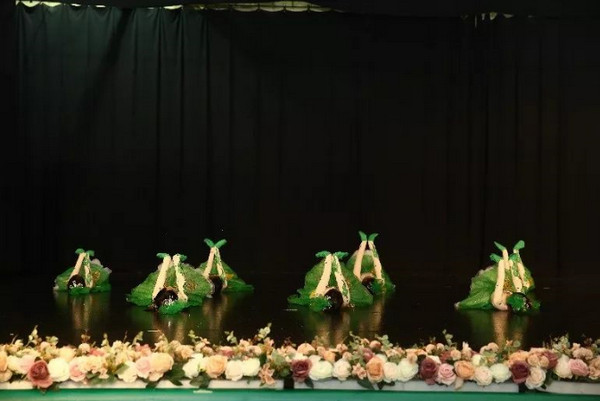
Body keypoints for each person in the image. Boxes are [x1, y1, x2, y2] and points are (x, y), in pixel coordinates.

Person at [455, 241, 539, 312]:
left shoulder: (497, 300)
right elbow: (515, 278)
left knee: (512, 277)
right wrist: (511, 261)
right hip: (512, 288)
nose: (509, 293)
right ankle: (514, 253)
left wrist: (501, 263)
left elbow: (500, 280)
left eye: (511, 295)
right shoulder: (518, 292)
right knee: (524, 282)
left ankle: (509, 256)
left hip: (498, 290)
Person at [127, 253, 212, 314]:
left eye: (167, 287)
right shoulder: (182, 298)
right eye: (170, 288)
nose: (170, 286)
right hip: (182, 290)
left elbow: (161, 278)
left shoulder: (155, 295)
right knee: (191, 283)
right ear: (174, 293)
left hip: (163, 296)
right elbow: (180, 280)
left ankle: (169, 260)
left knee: (161, 280)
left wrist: (166, 260)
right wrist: (177, 262)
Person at [288, 251, 373, 312]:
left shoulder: (317, 296)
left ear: (323, 293)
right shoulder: (346, 299)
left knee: (321, 276)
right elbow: (340, 277)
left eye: (327, 288)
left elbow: (324, 279)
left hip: (319, 287)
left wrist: (328, 259)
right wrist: (335, 260)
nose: (330, 286)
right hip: (339, 290)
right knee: (343, 279)